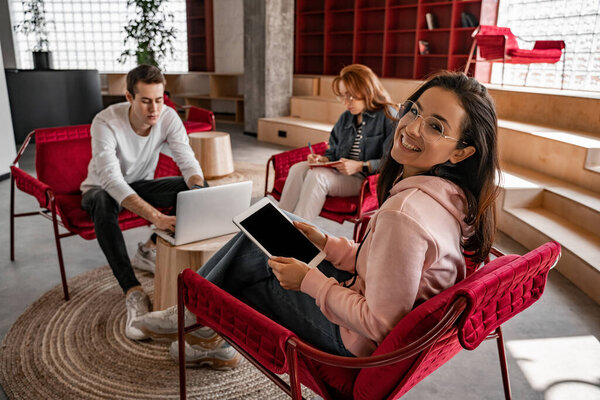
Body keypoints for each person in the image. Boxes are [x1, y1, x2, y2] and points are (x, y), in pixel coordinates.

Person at [134, 71, 500, 369]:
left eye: (436, 126)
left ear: (462, 151)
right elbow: (388, 265)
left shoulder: (404, 214)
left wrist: (309, 281)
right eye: (415, 111)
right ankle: (199, 317)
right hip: (364, 298)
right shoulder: (452, 197)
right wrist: (328, 245)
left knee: (250, 261)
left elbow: (379, 324)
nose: (413, 126)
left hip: (355, 344)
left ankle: (193, 314)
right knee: (275, 225)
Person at [80, 64, 206, 340]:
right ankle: (133, 291)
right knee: (102, 200)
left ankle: (148, 249)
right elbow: (111, 180)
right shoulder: (105, 122)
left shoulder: (168, 117)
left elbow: (188, 162)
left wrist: (198, 190)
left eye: (159, 100)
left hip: (138, 185)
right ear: (129, 97)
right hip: (99, 188)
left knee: (194, 188)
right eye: (146, 101)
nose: (154, 110)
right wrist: (157, 218)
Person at [278, 64, 397, 221]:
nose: (345, 101)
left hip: (364, 180)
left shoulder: (388, 116)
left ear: (366, 90)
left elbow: (392, 162)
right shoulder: (346, 118)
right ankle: (278, 221)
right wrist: (323, 159)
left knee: (318, 177)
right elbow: (333, 151)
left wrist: (361, 165)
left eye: (350, 95)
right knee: (298, 168)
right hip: (339, 172)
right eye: (342, 96)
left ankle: (299, 232)